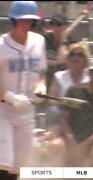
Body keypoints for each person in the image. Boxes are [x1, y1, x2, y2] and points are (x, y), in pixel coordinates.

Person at [0, 1, 47, 179]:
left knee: (17, 168)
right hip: (3, 111)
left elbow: (41, 72)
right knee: (3, 164)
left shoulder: (39, 41)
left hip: (27, 112)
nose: (26, 23)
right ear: (13, 20)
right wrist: (10, 98)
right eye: (22, 20)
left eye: (30, 20)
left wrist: (41, 86)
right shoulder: (1, 45)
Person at [44, 13, 70, 91]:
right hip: (45, 78)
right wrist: (55, 62)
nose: (55, 27)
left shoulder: (70, 42)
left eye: (58, 24)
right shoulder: (45, 38)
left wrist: (63, 40)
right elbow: (39, 59)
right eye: (52, 24)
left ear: (65, 27)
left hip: (61, 81)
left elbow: (62, 59)